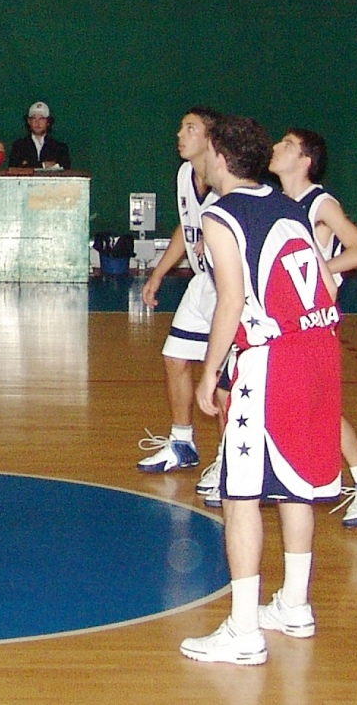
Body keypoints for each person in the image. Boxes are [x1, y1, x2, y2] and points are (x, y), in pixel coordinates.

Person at [180, 115, 342, 666]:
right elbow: (321, 273)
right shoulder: (288, 206)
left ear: (222, 158)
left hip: (275, 358)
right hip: (321, 347)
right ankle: (294, 605)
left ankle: (244, 628)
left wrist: (210, 372)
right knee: (294, 485)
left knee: (241, 491)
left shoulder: (222, 214)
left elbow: (230, 301)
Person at [269, 127, 357, 527]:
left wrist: (322, 273)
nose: (275, 148)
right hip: (287, 320)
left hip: (314, 322)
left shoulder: (320, 203)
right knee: (305, 406)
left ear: (305, 161)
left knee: (321, 409)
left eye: (286, 145)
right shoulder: (279, 202)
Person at [136, 107, 222, 475]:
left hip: (229, 290)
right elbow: (184, 228)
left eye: (190, 128)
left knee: (225, 379)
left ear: (211, 140)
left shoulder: (230, 182)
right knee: (175, 359)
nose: (180, 135)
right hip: (201, 283)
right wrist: (158, 273)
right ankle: (182, 443)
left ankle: (230, 462)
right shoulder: (186, 173)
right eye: (180, 127)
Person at [6, 102, 71, 170]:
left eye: (42, 119)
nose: (37, 122)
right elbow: (14, 168)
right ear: (29, 121)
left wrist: (29, 165)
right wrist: (43, 165)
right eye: (34, 118)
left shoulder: (60, 148)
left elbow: (65, 167)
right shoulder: (19, 146)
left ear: (48, 122)